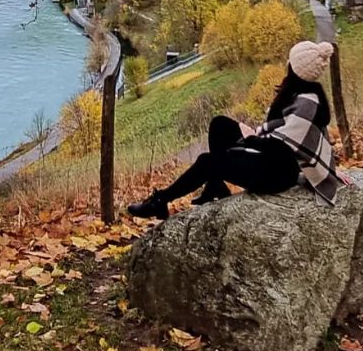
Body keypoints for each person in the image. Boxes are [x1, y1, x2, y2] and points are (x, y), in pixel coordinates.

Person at [128, 40, 345, 220]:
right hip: (271, 158)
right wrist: (254, 135)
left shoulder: (308, 102)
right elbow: (281, 134)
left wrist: (252, 138)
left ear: (296, 69)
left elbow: (282, 146)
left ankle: (160, 201)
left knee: (207, 161)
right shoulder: (301, 92)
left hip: (277, 175)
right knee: (220, 124)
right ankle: (215, 186)